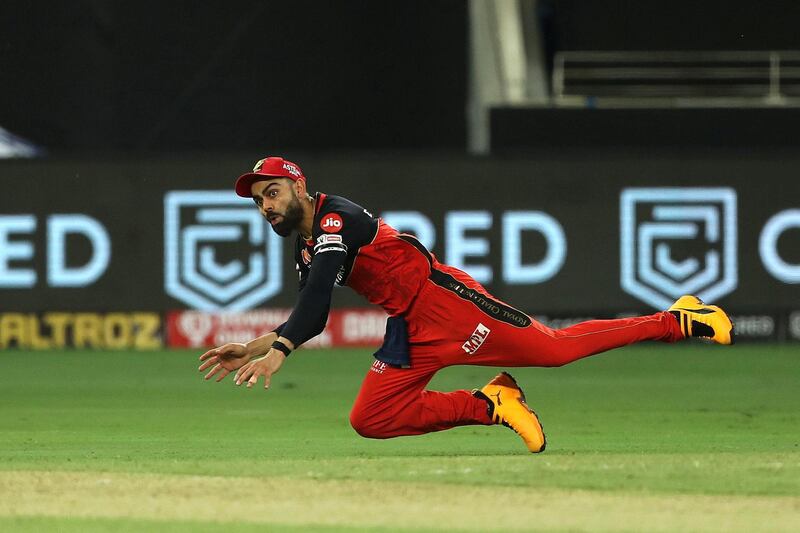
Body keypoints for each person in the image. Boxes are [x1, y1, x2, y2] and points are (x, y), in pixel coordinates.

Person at [197, 156, 735, 453]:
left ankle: (679, 318)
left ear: (299, 186)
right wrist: (257, 345)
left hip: (448, 304)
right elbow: (307, 307)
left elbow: (314, 307)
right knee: (372, 418)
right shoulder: (309, 243)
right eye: (258, 200)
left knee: (555, 351)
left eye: (271, 192)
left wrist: (282, 349)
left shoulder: (337, 218)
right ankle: (492, 405)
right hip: (409, 325)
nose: (265, 206)